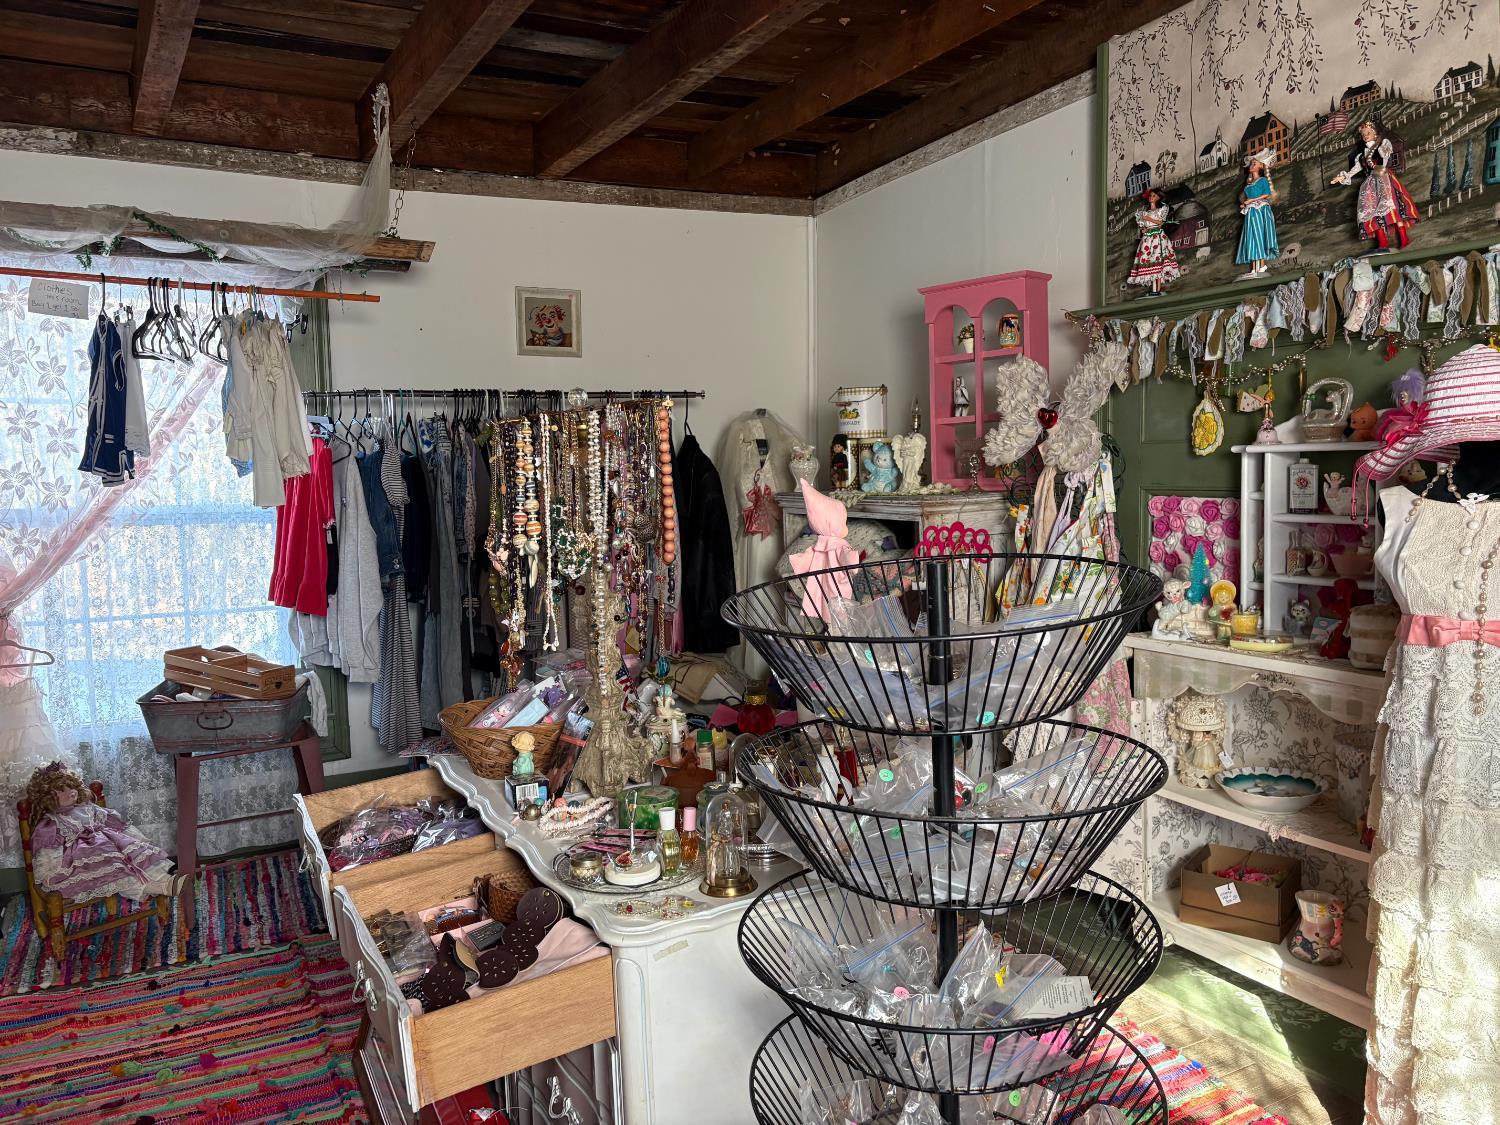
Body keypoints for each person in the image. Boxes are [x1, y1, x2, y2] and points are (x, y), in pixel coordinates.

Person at [1329, 120, 1419, 252]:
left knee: (1393, 208)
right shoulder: (1362, 156)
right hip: (1370, 185)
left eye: (1368, 133)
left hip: (1385, 180)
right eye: (1363, 134)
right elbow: (1354, 170)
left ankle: (1404, 239)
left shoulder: (1382, 145)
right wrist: (1342, 177)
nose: (1365, 136)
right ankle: (1382, 243)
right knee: (1372, 213)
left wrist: (1380, 149)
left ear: (1375, 134)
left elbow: (1385, 156)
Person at [1125, 188, 1180, 296]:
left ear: (1159, 198)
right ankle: (1155, 290)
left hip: (1157, 237)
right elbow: (1144, 226)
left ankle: (1156, 290)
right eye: (1150, 195)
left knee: (1158, 260)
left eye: (1154, 196)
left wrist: (1148, 219)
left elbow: (1160, 223)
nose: (1151, 197)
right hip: (1148, 238)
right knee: (1149, 260)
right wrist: (1144, 229)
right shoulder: (1145, 213)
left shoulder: (1160, 210)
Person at [1236, 151, 1280, 277]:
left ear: (1260, 166)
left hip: (1260, 210)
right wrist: (1245, 204)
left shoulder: (1262, 180)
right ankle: (1254, 268)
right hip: (1251, 211)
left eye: (1254, 163)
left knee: (1259, 235)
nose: (1252, 165)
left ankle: (1261, 265)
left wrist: (1251, 201)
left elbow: (1266, 194)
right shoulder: (1249, 184)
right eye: (1251, 164)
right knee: (1252, 237)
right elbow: (1248, 198)